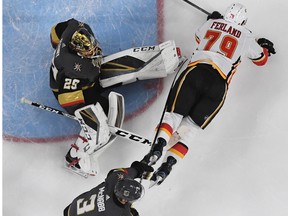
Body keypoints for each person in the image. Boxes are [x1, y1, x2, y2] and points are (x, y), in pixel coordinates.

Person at [141, 3, 276, 186]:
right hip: (218, 86)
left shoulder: (212, 24)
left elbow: (199, 37)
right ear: (243, 21)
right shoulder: (246, 36)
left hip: (196, 72)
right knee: (190, 127)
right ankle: (167, 166)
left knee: (174, 115)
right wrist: (263, 46)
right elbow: (261, 60)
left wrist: (213, 20)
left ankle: (158, 148)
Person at [49, 18, 183, 177]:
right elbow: (93, 70)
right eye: (87, 52)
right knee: (99, 129)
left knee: (117, 67)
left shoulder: (75, 29)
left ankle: (158, 59)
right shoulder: (72, 63)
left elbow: (69, 25)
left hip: (83, 80)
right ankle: (75, 158)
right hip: (70, 94)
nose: (92, 51)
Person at [63, 161, 154, 216]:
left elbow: (116, 172)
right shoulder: (120, 213)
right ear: (124, 200)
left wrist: (136, 169)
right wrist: (138, 168)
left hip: (72, 208)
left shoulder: (114, 178)